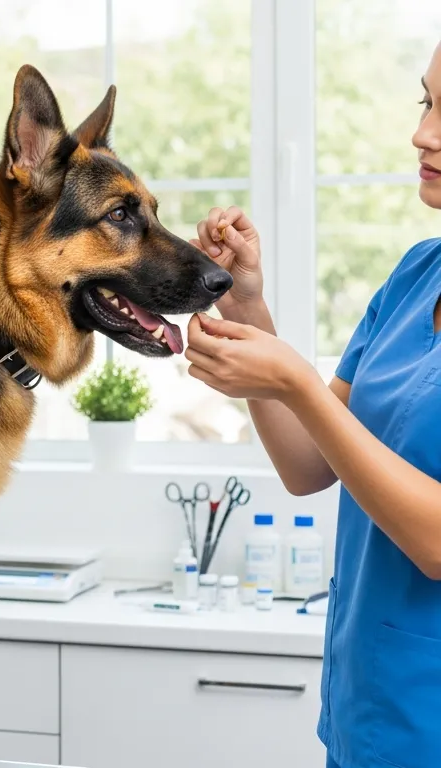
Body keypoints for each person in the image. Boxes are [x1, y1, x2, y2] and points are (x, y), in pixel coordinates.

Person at [182, 42, 441, 768]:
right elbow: (309, 466)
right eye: (427, 102)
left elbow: (438, 543)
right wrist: (250, 311)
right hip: (366, 712)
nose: (423, 133)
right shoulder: (417, 275)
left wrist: (294, 378)